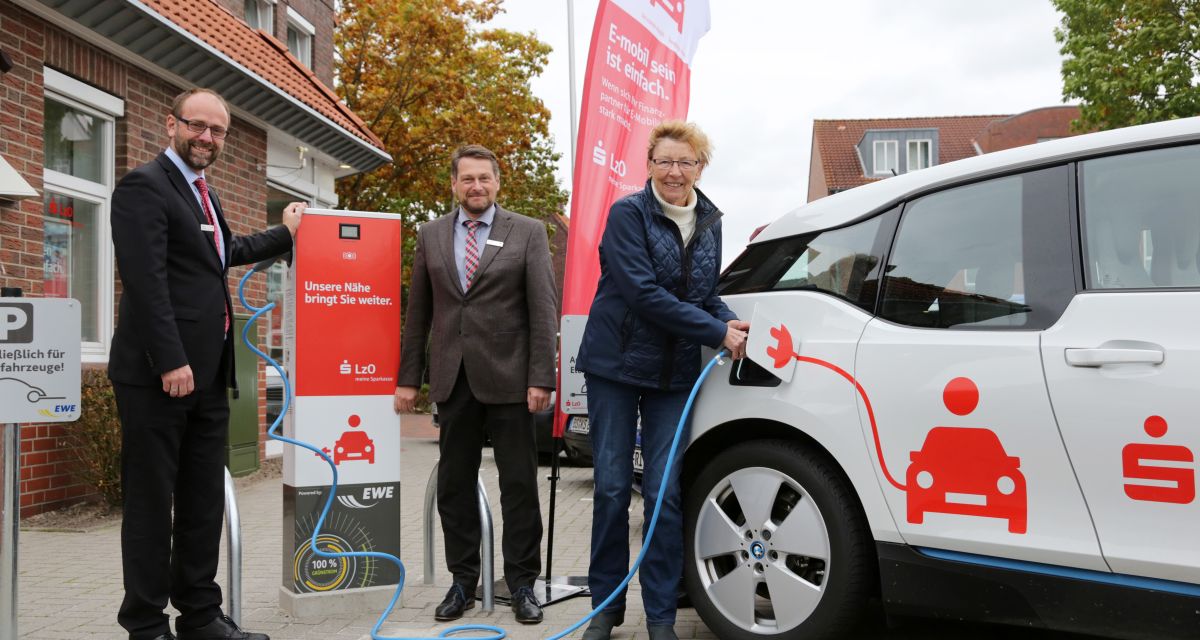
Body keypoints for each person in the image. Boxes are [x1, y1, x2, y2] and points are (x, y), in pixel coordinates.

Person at [108, 88, 304, 640]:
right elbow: (144, 282)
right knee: (151, 505)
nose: (207, 138)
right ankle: (145, 625)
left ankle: (199, 616)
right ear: (172, 124)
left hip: (210, 376)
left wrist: (286, 234)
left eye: (217, 131)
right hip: (157, 378)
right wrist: (170, 360)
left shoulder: (204, 195)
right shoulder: (144, 186)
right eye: (198, 126)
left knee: (201, 503)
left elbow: (225, 253)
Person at [575, 120, 749, 640]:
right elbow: (643, 293)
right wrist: (716, 330)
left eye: (685, 162)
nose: (675, 172)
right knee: (609, 490)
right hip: (616, 367)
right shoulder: (627, 214)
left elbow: (702, 293)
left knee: (663, 493)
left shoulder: (711, 220)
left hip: (672, 373)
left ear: (700, 167)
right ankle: (605, 610)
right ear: (648, 165)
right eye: (665, 161)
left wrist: (732, 320)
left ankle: (660, 618)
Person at [394, 144, 557, 624]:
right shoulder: (430, 235)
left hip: (511, 379)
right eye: (467, 179)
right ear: (454, 185)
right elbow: (418, 313)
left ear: (497, 183)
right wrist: (409, 380)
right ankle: (463, 581)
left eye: (485, 178)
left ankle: (524, 584)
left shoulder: (526, 232)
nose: (476, 186)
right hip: (453, 378)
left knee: (519, 487)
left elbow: (542, 310)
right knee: (454, 486)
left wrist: (540, 377)